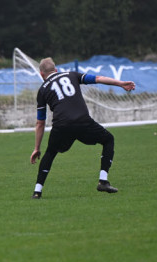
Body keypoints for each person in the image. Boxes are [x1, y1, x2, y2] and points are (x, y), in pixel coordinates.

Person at [29, 57, 135, 199]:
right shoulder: (72, 74)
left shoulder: (42, 90)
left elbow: (40, 123)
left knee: (50, 153)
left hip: (61, 125)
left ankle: (37, 192)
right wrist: (121, 83)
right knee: (108, 139)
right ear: (56, 70)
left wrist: (37, 148)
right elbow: (98, 78)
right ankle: (103, 181)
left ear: (42, 74)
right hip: (82, 121)